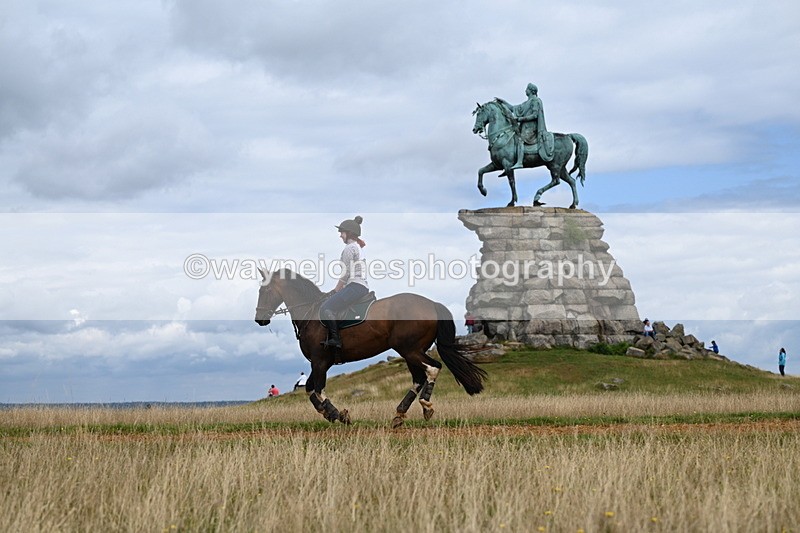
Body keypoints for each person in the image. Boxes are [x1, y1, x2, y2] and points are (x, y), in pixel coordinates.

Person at [320, 216, 368, 350]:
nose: (340, 236)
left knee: (326, 308)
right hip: (360, 286)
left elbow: (345, 274)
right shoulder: (357, 247)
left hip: (355, 286)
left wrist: (335, 290)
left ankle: (336, 340)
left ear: (349, 233)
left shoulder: (349, 248)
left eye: (342, 233)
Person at [508, 83, 553, 171]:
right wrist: (502, 102)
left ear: (531, 91)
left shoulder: (535, 101)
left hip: (531, 128)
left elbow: (535, 115)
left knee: (520, 140)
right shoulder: (526, 103)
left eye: (527, 89)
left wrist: (520, 119)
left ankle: (519, 162)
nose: (525, 90)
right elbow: (513, 108)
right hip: (525, 127)